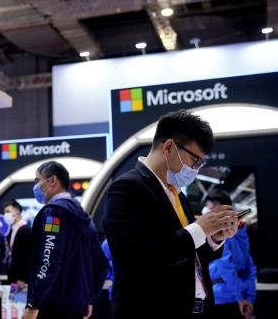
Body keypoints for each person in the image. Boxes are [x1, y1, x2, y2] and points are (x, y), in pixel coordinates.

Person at [103, 109, 239, 319]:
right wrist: (199, 229)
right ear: (168, 147)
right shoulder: (127, 188)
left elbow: (187, 254)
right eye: (195, 160)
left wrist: (213, 238)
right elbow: (136, 258)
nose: (196, 169)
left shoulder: (177, 195)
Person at [23, 161, 109, 319]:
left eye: (37, 180)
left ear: (52, 181)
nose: (36, 186)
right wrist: (89, 299)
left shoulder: (54, 214)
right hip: (77, 306)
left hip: (52, 306)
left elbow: (49, 261)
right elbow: (101, 264)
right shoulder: (84, 217)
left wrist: (33, 304)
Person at [203, 189, 256, 319]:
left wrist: (240, 298)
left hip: (224, 296)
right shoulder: (242, 231)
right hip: (240, 295)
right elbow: (250, 266)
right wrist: (249, 297)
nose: (206, 211)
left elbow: (225, 267)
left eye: (209, 207)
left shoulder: (223, 233)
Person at [3, 200, 32, 287]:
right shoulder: (12, 230)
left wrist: (22, 278)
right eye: (4, 212)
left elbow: (27, 257)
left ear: (17, 212)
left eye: (8, 211)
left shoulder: (25, 230)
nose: (5, 215)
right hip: (13, 279)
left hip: (22, 281)